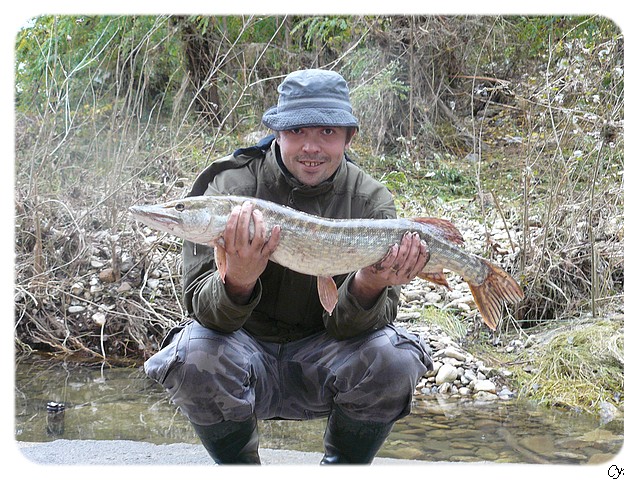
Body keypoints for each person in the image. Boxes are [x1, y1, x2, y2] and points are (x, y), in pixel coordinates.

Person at [144, 69, 433, 465]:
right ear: (277, 132)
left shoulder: (371, 201)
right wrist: (238, 281)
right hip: (243, 356)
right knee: (192, 353)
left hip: (326, 358)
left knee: (394, 358)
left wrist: (369, 282)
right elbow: (202, 311)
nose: (311, 147)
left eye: (327, 133)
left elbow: (351, 329)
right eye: (297, 131)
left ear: (348, 138)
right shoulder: (229, 187)